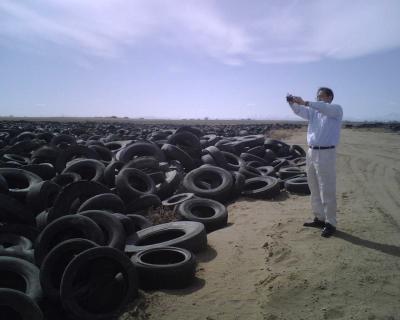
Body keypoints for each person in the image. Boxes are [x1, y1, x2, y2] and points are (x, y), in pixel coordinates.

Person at [287, 87, 343, 238]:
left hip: (326, 153)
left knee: (327, 188)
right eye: (317, 97)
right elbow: (300, 111)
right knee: (314, 186)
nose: (318, 99)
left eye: (321, 96)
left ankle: (331, 223)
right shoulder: (313, 112)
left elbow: (323, 107)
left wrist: (305, 102)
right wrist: (292, 103)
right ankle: (319, 218)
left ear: (330, 97)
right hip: (311, 152)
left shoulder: (336, 110)